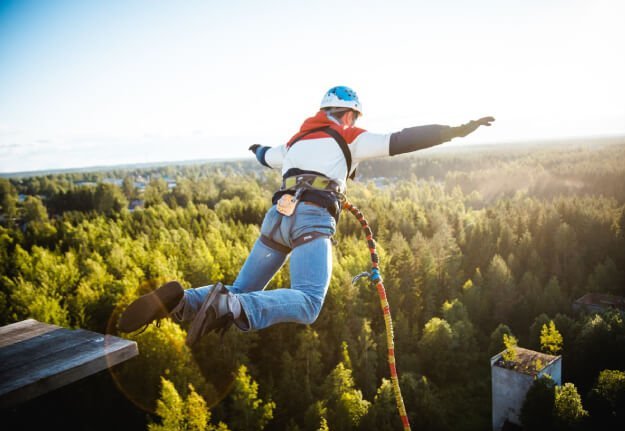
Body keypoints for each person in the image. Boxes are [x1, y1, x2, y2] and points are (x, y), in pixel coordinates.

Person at [118, 86, 494, 346]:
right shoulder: (350, 136)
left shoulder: (295, 142)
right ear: (348, 114)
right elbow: (404, 139)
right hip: (310, 219)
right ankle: (228, 307)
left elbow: (266, 154)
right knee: (309, 301)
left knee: (240, 291)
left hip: (276, 220)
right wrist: (457, 131)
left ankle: (182, 301)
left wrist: (256, 148)